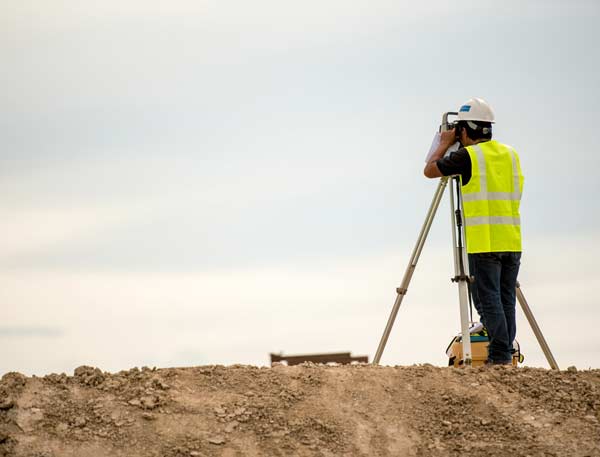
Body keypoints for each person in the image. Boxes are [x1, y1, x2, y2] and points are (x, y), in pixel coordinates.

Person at [423, 98, 524, 365]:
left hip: (484, 241)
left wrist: (444, 143)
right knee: (505, 301)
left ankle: (500, 356)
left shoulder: (468, 156)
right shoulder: (510, 154)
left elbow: (430, 170)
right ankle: (505, 353)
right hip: (511, 239)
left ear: (465, 130)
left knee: (488, 300)